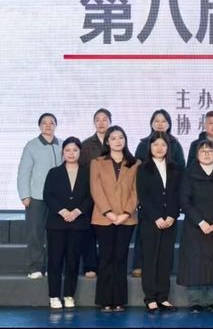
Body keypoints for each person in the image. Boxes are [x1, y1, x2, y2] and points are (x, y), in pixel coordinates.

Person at [177, 140, 213, 314]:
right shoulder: (189, 173)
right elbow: (184, 200)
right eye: (203, 151)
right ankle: (196, 301)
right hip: (195, 226)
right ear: (197, 154)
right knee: (195, 263)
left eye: (210, 151)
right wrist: (200, 222)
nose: (207, 154)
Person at [89, 126, 139, 312]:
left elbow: (136, 191)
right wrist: (108, 213)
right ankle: (104, 300)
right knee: (106, 258)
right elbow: (96, 189)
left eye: (121, 137)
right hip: (103, 218)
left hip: (127, 218)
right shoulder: (97, 162)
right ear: (107, 142)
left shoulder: (135, 163)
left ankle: (119, 300)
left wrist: (125, 213)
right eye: (113, 138)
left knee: (120, 258)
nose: (118, 141)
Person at [131, 109, 185, 277]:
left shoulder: (175, 144)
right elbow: (137, 168)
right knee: (143, 236)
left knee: (166, 245)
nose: (160, 124)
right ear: (151, 123)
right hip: (149, 201)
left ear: (169, 124)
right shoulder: (143, 144)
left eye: (164, 121)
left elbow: (181, 168)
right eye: (157, 121)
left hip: (168, 200)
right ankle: (139, 265)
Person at [43, 137, 92, 309]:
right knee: (55, 261)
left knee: (73, 261)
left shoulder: (87, 173)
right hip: (57, 224)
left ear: (80, 152)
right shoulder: (54, 172)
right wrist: (62, 211)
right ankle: (54, 296)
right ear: (62, 152)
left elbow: (91, 196)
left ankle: (69, 295)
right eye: (68, 150)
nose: (71, 153)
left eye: (75, 150)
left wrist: (77, 211)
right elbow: (48, 195)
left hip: (78, 224)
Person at [136, 132, 182, 313]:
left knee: (165, 260)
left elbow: (178, 194)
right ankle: (150, 298)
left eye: (163, 145)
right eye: (156, 145)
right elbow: (143, 195)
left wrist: (172, 215)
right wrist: (156, 217)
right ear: (150, 147)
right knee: (150, 259)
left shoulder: (175, 168)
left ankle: (163, 297)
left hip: (170, 221)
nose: (159, 148)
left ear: (168, 148)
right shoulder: (143, 168)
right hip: (150, 221)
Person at [18, 113, 63, 280]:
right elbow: (23, 172)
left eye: (52, 123)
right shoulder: (32, 146)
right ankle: (35, 267)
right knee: (35, 234)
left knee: (55, 234)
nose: (48, 125)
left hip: (57, 198)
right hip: (36, 197)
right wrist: (25, 195)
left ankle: (52, 266)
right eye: (44, 123)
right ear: (39, 126)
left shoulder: (62, 145)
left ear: (56, 126)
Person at [80, 108, 111, 279]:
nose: (101, 123)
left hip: (112, 196)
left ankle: (107, 265)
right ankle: (90, 265)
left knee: (108, 233)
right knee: (89, 232)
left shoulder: (116, 141)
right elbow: (81, 171)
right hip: (90, 194)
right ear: (94, 123)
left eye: (104, 119)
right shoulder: (86, 145)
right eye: (98, 119)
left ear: (110, 122)